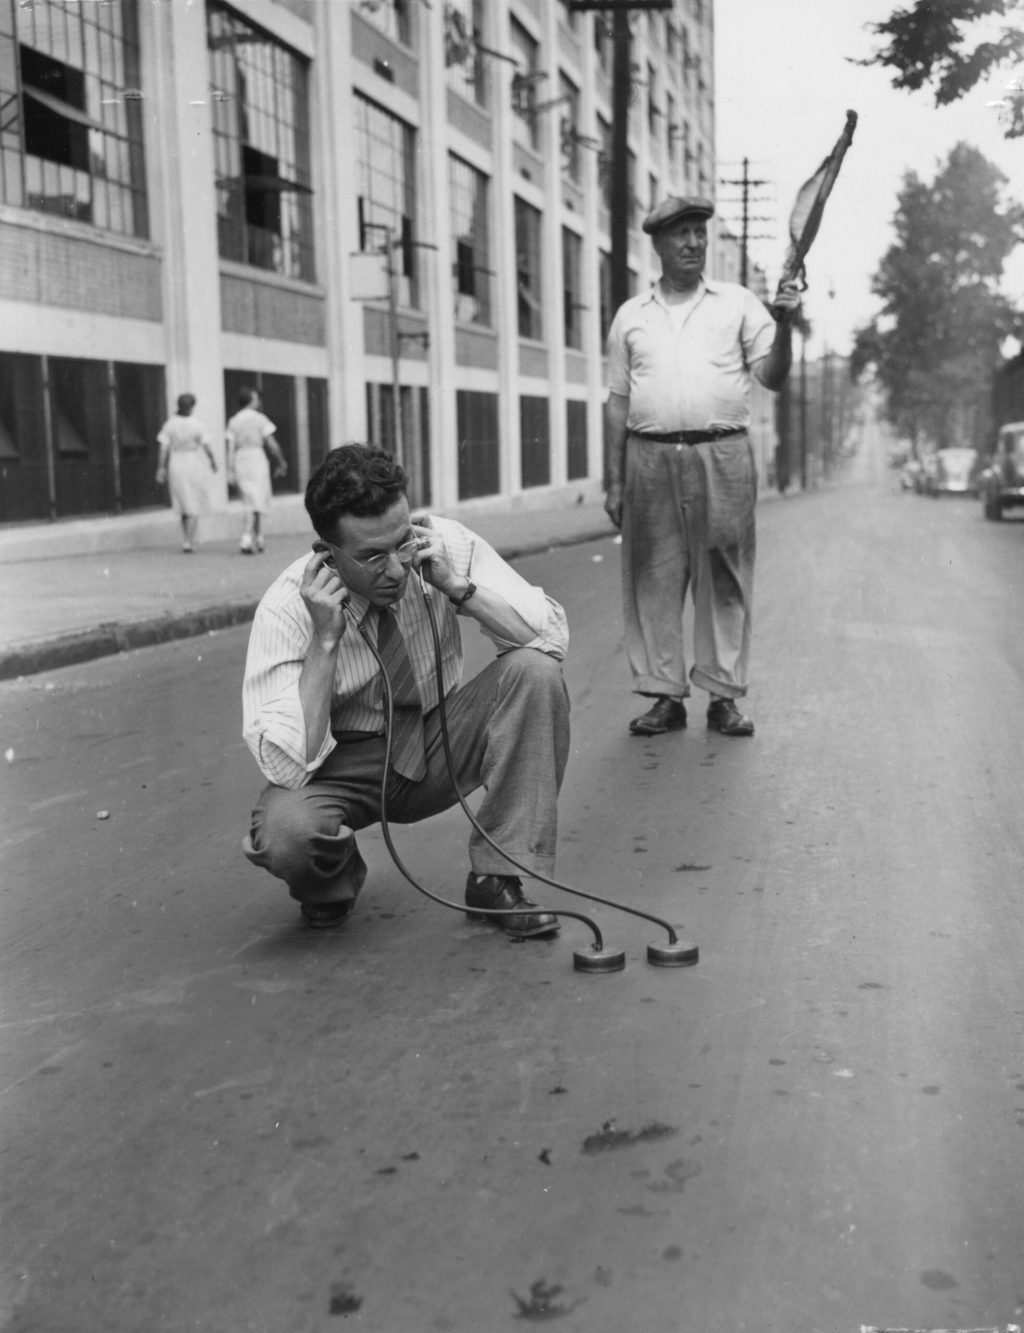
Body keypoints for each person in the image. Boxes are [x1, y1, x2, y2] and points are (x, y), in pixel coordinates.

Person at [241, 443, 570, 938]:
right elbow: (290, 765)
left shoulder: (440, 543)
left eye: (401, 544)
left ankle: (496, 876)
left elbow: (550, 639)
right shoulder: (287, 607)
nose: (395, 569)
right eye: (372, 557)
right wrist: (325, 641)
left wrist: (460, 589)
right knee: (287, 834)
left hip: (437, 736)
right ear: (326, 555)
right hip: (343, 762)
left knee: (534, 672)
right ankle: (332, 879)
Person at [603, 196, 802, 738]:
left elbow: (774, 376)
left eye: (699, 233)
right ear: (658, 244)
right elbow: (618, 402)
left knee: (725, 577)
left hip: (724, 453)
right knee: (654, 576)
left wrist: (784, 325)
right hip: (649, 458)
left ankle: (722, 697)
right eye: (681, 234)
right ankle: (664, 696)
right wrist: (615, 481)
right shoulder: (631, 317)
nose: (693, 243)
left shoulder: (737, 303)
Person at [225, 387, 288, 555]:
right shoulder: (260, 419)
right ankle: (247, 538)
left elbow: (230, 447)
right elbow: (272, 444)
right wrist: (281, 461)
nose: (258, 401)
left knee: (251, 499)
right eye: (256, 398)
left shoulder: (234, 421)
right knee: (257, 498)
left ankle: (259, 537)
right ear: (251, 400)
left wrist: (230, 468)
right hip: (256, 457)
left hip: (241, 458)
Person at [155, 393, 218, 553]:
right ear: (191, 406)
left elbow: (163, 449)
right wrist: (213, 462)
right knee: (193, 500)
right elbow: (207, 446)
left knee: (183, 501)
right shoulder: (197, 424)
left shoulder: (170, 424)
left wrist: (161, 467)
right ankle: (188, 540)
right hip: (192, 461)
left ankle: (187, 538)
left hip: (176, 461)